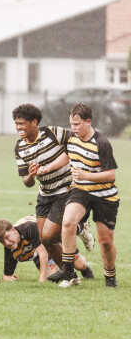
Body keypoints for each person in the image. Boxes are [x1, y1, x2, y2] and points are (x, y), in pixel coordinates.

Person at [11, 103, 94, 279]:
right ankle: (71, 275)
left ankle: (78, 228)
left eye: (22, 123)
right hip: (45, 193)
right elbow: (27, 182)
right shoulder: (20, 148)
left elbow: (75, 147)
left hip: (65, 189)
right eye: (16, 124)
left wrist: (49, 167)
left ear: (34, 122)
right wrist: (31, 175)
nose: (18, 127)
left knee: (49, 235)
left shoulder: (53, 133)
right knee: (45, 240)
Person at [48, 103, 120, 288]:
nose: (73, 128)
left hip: (105, 196)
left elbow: (111, 175)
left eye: (77, 124)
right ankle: (68, 270)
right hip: (81, 190)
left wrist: (87, 175)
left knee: (105, 242)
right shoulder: (72, 139)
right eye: (71, 124)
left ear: (88, 122)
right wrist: (47, 168)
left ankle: (110, 275)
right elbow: (68, 156)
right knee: (67, 222)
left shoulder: (101, 142)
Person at [0, 216, 90, 283]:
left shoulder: (28, 228)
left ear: (13, 230)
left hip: (51, 237)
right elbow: (7, 276)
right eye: (2, 241)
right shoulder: (9, 248)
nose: (7, 243)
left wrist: (42, 280)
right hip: (38, 249)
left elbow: (43, 254)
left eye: (7, 237)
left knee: (80, 265)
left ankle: (81, 226)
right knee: (53, 276)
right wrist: (9, 278)